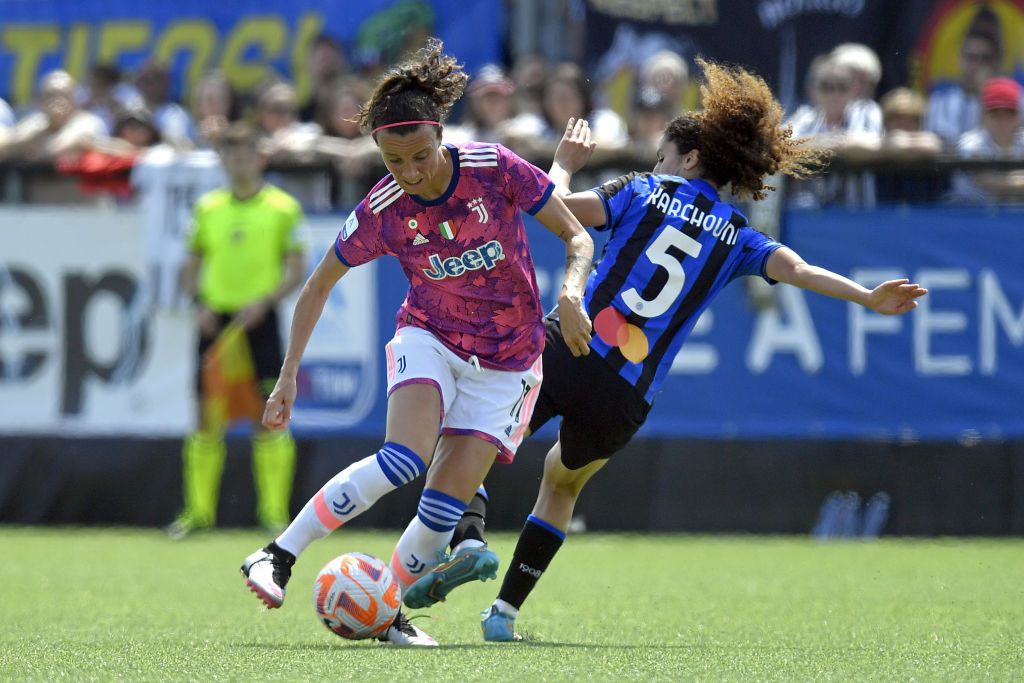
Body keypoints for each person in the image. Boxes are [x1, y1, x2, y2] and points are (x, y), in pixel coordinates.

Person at [406, 58, 928, 641]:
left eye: (662, 155)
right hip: (627, 391)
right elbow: (799, 269)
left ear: (689, 159)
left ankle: (471, 538)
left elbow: (551, 212)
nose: (656, 163)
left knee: (467, 439)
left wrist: (562, 165)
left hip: (567, 343)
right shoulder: (739, 235)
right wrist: (865, 297)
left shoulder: (643, 190)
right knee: (561, 483)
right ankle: (503, 616)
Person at [238, 39, 594, 647]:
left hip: (511, 364)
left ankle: (386, 612)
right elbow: (317, 286)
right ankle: (276, 555)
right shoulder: (382, 208)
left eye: (420, 157)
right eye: (392, 161)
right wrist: (290, 373)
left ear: (441, 136)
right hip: (429, 335)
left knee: (442, 510)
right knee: (403, 457)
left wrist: (571, 293)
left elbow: (578, 236)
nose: (409, 173)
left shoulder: (494, 167)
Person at [167, 122, 307, 539]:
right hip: (217, 322)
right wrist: (199, 305)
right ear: (223, 161)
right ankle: (198, 514)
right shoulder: (209, 208)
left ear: (260, 158)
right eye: (231, 155)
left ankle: (274, 515)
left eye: (246, 154)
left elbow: (297, 269)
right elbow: (190, 267)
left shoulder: (282, 207)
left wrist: (265, 302)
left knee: (269, 415)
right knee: (206, 417)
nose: (239, 162)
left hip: (259, 322)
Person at [951, 77, 1024, 203]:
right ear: (984, 115)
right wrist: (1016, 181)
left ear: (1018, 117)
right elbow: (985, 181)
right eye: (995, 114)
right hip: (970, 214)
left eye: (1009, 113)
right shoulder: (971, 143)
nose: (1002, 121)